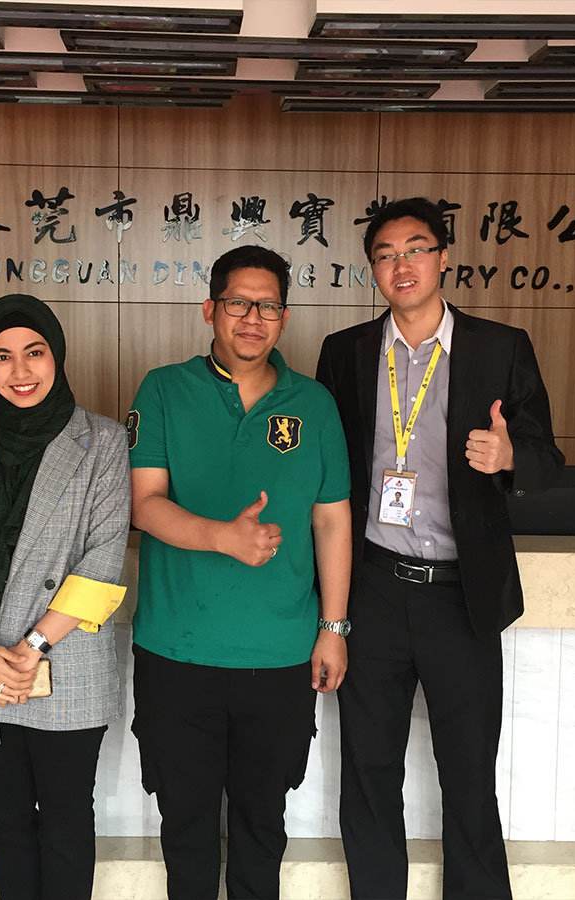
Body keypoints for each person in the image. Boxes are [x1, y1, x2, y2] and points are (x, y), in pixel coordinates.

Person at [315, 197, 565, 900]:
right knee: (369, 775)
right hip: (373, 590)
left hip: (463, 596)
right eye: (386, 254)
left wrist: (510, 456)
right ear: (373, 269)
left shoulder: (500, 348)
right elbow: (327, 476)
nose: (402, 265)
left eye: (416, 249)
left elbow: (548, 460)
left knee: (469, 776)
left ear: (444, 257)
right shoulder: (346, 352)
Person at [127, 245, 353, 900]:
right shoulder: (163, 389)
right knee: (186, 826)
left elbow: (331, 521)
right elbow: (144, 503)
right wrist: (222, 537)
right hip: (177, 652)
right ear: (210, 310)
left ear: (284, 318)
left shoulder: (314, 404)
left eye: (268, 306)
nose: (253, 318)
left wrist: (333, 627)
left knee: (262, 826)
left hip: (279, 655)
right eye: (238, 303)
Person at [0, 293, 130, 900]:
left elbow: (103, 560)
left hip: (63, 661)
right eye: (1, 356)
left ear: (56, 356)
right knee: (6, 825)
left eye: (34, 352)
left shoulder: (103, 440)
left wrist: (30, 648)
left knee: (65, 824)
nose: (20, 371)